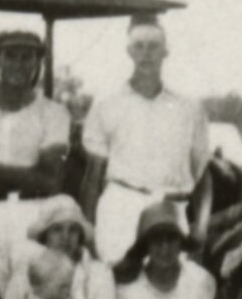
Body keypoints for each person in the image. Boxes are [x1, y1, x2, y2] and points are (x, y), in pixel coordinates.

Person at [79, 18, 212, 267]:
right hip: (120, 209)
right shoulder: (107, 102)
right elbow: (93, 177)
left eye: (153, 46)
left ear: (166, 52)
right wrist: (88, 231)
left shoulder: (190, 106)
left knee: (169, 286)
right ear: (129, 52)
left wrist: (201, 227)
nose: (146, 53)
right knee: (116, 282)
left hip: (171, 212)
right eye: (139, 46)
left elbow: (203, 175)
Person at [0, 29, 72, 287]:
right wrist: (28, 175)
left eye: (27, 57)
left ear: (37, 62)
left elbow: (50, 181)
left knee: (34, 291)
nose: (18, 65)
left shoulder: (54, 113)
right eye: (10, 56)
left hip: (36, 214)